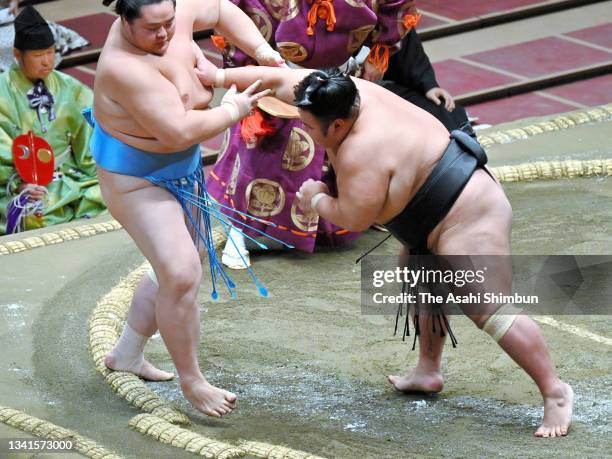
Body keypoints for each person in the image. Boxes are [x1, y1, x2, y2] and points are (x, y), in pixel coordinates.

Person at [195, 63, 574, 437]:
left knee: (487, 306)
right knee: (420, 275)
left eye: (309, 126)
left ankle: (555, 392)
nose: (305, 130)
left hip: (467, 212)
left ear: (339, 125)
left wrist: (316, 197)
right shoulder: (339, 90)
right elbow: (276, 76)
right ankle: (428, 370)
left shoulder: (362, 151)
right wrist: (219, 78)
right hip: (428, 213)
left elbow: (355, 217)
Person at [91, 0, 282, 418]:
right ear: (124, 22)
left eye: (170, 24)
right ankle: (192, 381)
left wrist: (261, 50)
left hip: (184, 169)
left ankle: (127, 353)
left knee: (178, 265)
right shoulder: (123, 67)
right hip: (136, 178)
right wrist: (233, 108)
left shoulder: (164, 9)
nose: (164, 35)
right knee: (179, 272)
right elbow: (177, 131)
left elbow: (215, 5)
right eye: (152, 29)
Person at [209, 0, 420, 268]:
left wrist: (375, 53)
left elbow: (395, 10)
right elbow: (240, 32)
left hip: (344, 77)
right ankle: (241, 231)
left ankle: (363, 213)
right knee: (263, 149)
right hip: (282, 76)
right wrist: (248, 89)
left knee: (358, 146)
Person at [337, 0, 470, 131]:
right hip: (340, 87)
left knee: (444, 112)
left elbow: (405, 40)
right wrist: (360, 64)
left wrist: (428, 84)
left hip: (380, 83)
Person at [0, 6, 105, 235]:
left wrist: (100, 174)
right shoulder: (2, 93)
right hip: (19, 185)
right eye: (38, 55)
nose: (47, 61)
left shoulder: (71, 88)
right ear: (17, 55)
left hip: (70, 178)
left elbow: (92, 138)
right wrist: (19, 182)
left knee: (113, 197)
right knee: (33, 213)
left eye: (50, 52)